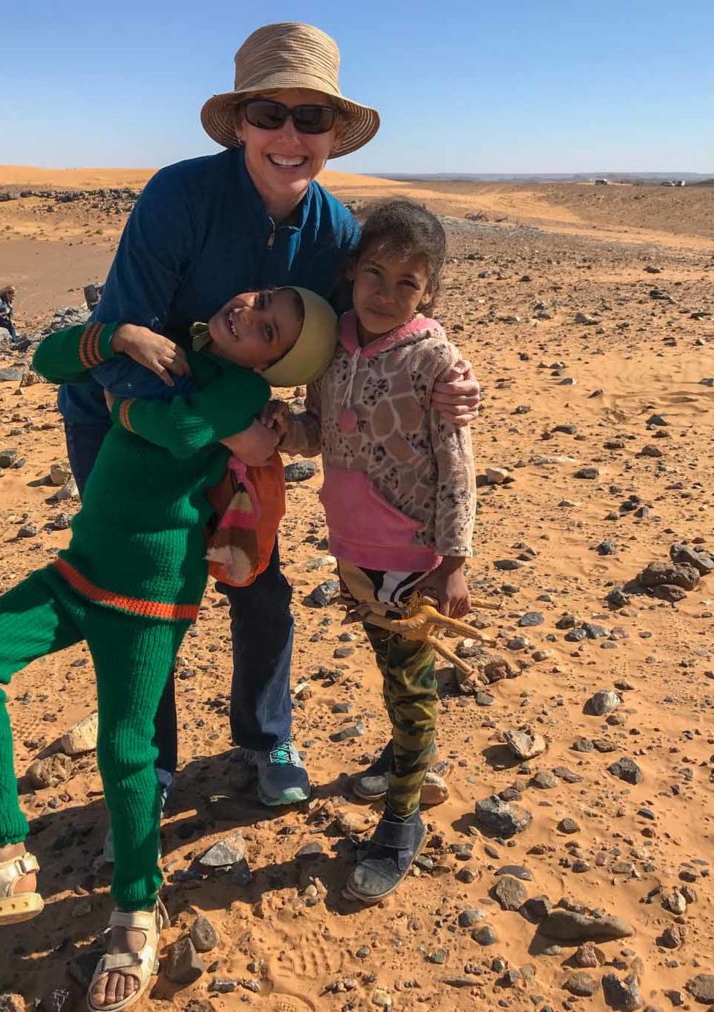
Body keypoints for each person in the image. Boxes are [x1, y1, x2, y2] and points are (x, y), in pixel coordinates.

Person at [59, 21, 481, 810]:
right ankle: (149, 767)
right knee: (150, 586)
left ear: (331, 135)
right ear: (241, 122)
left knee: (258, 586)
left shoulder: (335, 233)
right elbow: (121, 342)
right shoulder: (178, 196)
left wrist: (445, 382)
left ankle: (265, 736)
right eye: (269, 114)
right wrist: (216, 426)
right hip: (123, 419)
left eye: (310, 118)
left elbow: (363, 336)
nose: (289, 136)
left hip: (249, 428)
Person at [0, 287, 338, 1012]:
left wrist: (123, 406)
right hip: (80, 571)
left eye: (267, 330)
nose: (249, 315)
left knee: (125, 747)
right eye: (259, 302)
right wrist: (115, 339)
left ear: (273, 363)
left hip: (150, 595)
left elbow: (179, 433)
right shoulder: (168, 346)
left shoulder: (239, 387)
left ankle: (136, 912)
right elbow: (51, 360)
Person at [271, 200, 477, 903]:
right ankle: (399, 757)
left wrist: (454, 561)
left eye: (406, 284)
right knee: (390, 668)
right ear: (350, 275)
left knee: (411, 687)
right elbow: (318, 431)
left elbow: (457, 463)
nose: (386, 295)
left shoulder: (435, 360)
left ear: (430, 293)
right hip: (353, 549)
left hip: (412, 557)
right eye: (373, 275)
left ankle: (401, 819)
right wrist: (280, 429)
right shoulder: (331, 344)